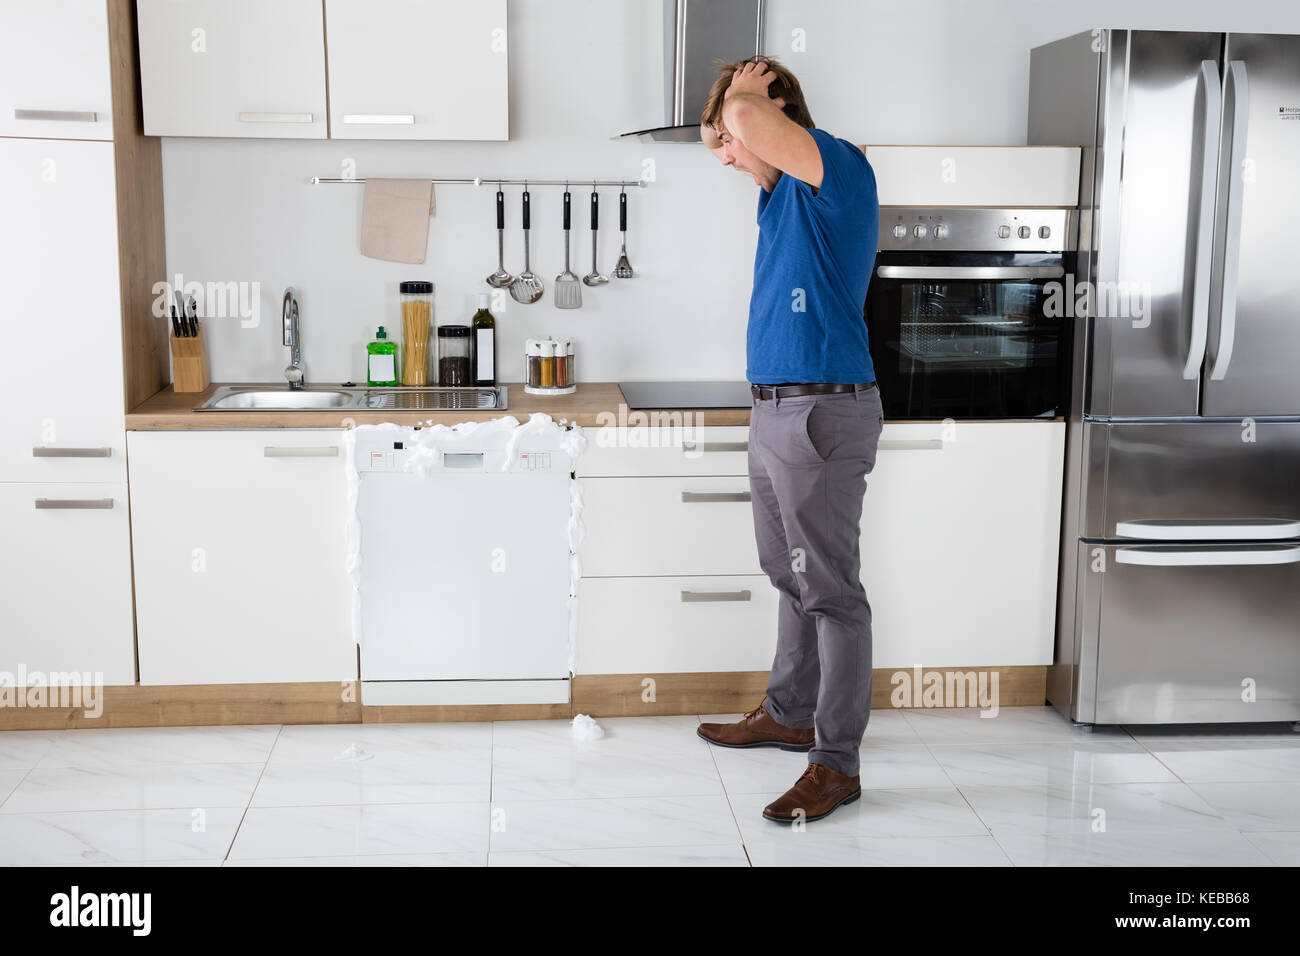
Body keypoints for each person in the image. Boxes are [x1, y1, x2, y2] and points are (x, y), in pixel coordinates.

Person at [695, 57, 883, 824]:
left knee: (833, 594)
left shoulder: (837, 168)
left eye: (731, 136)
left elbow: (745, 125)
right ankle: (788, 711)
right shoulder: (781, 199)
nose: (728, 153)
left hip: (821, 412)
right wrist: (737, 118)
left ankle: (835, 763)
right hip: (775, 410)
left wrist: (748, 95)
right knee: (788, 574)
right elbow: (735, 135)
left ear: (772, 111)